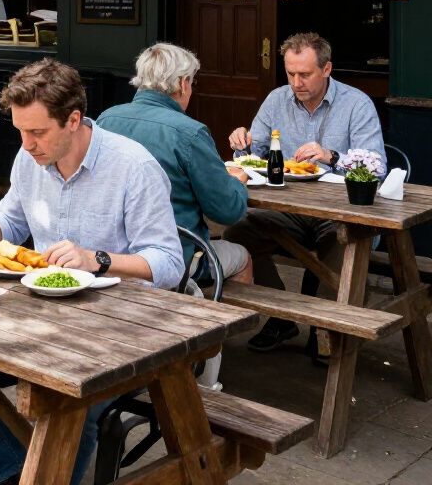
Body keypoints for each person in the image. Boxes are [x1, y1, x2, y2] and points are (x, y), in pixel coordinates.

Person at [0, 59, 183, 485]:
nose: (27, 143)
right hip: (41, 318)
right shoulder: (28, 158)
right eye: (21, 130)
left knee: (67, 396)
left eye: (38, 132)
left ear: (74, 120)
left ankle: (42, 472)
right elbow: (12, 227)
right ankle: (19, 469)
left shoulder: (132, 166)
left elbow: (169, 264)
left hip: (121, 328)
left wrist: (98, 259)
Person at [224, 31, 387, 352]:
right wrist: (241, 142)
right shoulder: (276, 100)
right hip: (290, 211)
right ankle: (280, 316)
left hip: (341, 211)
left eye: (305, 74)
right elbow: (253, 155)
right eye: (291, 73)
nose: (296, 82)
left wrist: (332, 156)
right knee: (238, 232)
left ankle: (326, 331)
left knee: (348, 240)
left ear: (326, 70)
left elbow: (377, 167)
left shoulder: (356, 104)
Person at [96, 43, 252, 284]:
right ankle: (222, 322)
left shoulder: (106, 119)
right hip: (174, 258)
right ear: (183, 83)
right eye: (192, 82)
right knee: (242, 257)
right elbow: (227, 211)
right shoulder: (189, 133)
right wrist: (237, 183)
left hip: (111, 255)